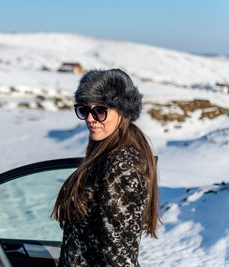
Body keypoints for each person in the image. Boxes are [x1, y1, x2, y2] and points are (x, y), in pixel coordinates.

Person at [52, 69, 160, 266]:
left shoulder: (121, 166)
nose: (90, 118)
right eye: (84, 110)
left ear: (123, 111)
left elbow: (119, 257)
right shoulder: (106, 157)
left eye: (100, 111)